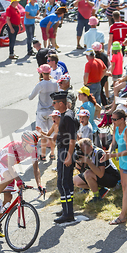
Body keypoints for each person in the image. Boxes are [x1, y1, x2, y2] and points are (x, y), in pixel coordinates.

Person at [0, 131, 43, 235]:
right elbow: (10, 166)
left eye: (35, 145)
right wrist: (18, 180)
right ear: (24, 143)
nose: (34, 147)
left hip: (8, 169)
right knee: (9, 177)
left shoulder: (33, 150)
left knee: (8, 199)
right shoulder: (13, 146)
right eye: (32, 145)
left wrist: (39, 184)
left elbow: (36, 169)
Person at [102, 109, 127, 225]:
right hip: (123, 159)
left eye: (114, 119)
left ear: (122, 119)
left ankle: (122, 216)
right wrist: (108, 152)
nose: (112, 121)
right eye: (112, 119)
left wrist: (111, 156)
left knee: (126, 187)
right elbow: (113, 143)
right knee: (125, 186)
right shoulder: (116, 127)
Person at [51, 91, 78, 223]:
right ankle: (66, 209)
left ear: (61, 103)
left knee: (62, 183)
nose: (53, 104)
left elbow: (73, 139)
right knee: (67, 182)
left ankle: (68, 213)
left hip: (65, 151)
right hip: (64, 150)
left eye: (54, 102)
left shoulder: (67, 116)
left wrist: (68, 156)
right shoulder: (66, 114)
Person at [74, 138, 120, 203]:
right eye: (82, 150)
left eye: (85, 150)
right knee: (76, 181)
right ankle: (101, 189)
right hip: (99, 176)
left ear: (91, 146)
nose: (84, 152)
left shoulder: (99, 153)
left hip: (112, 178)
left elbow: (101, 174)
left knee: (88, 174)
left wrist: (88, 162)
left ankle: (97, 197)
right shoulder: (86, 153)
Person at [29, 64, 58, 160]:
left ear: (41, 73)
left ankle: (43, 155)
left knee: (43, 133)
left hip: (42, 111)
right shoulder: (55, 82)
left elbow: (30, 97)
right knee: (52, 134)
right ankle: (53, 154)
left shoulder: (40, 84)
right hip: (52, 111)